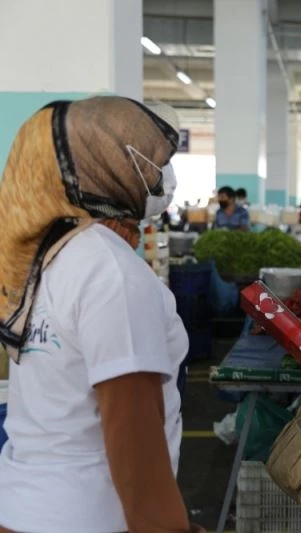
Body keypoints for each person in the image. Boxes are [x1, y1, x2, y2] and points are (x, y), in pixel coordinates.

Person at [0, 96, 199, 532]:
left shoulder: (50, 255)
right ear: (106, 168)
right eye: (154, 160)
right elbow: (133, 438)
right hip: (92, 516)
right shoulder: (111, 271)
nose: (164, 174)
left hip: (22, 508)